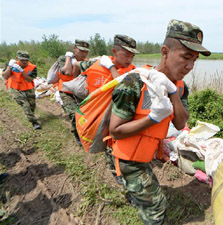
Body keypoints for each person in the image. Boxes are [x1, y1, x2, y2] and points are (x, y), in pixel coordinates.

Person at [108, 19, 211, 224]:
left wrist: (173, 94)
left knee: (144, 194)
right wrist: (153, 118)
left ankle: (134, 196)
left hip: (147, 153)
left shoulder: (180, 87)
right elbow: (116, 130)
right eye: (185, 57)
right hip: (128, 157)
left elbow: (181, 124)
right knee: (156, 209)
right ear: (165, 52)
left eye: (194, 60)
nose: (190, 66)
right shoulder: (135, 83)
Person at [80, 34, 139, 184]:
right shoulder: (97, 69)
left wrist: (112, 68)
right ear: (114, 51)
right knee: (109, 144)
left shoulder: (131, 71)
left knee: (118, 143)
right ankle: (115, 172)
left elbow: (122, 84)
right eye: (126, 55)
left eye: (132, 56)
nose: (129, 59)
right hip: (102, 115)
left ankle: (122, 168)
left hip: (121, 115)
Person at [57, 39, 90, 145]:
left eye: (86, 51)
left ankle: (85, 132)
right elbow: (67, 72)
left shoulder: (86, 62)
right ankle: (77, 134)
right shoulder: (63, 59)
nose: (84, 54)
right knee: (73, 114)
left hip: (80, 91)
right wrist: (68, 58)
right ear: (74, 48)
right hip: (66, 91)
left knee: (85, 114)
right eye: (81, 51)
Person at [2, 51, 41, 130]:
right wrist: (9, 66)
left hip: (28, 88)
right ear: (17, 58)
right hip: (15, 88)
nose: (24, 62)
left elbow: (29, 79)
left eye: (26, 60)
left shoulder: (32, 67)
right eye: (22, 60)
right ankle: (34, 122)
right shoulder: (12, 64)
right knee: (25, 105)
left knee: (32, 105)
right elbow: (5, 76)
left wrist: (22, 71)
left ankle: (30, 115)